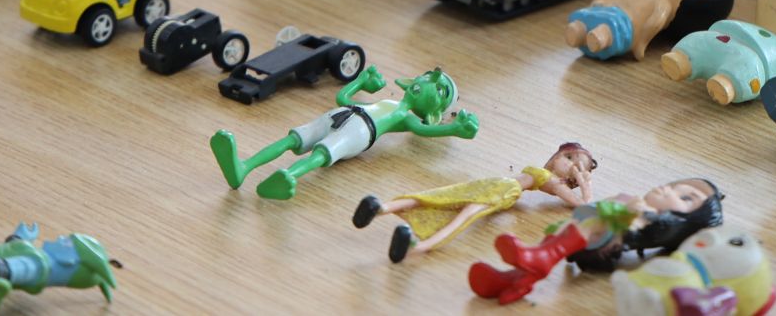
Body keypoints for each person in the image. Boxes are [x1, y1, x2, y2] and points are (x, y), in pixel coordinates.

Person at [209, 66, 477, 200]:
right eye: (428, 76)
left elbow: (422, 130)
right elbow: (343, 97)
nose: (428, 82)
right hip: (344, 112)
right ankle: (243, 167)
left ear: (434, 112)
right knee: (295, 138)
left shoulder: (405, 117)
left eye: (439, 90)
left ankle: (288, 176)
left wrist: (454, 129)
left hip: (362, 131)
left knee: (323, 152)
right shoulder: (388, 102)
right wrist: (361, 81)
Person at [466, 177, 723, 304]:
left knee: (594, 223)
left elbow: (634, 226)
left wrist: (633, 212)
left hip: (601, 242)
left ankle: (540, 259)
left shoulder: (649, 220)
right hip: (581, 233)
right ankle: (513, 279)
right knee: (570, 225)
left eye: (686, 198)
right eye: (675, 186)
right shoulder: (633, 201)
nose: (669, 189)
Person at [351, 142, 596, 262]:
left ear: (571, 178)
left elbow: (583, 206)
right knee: (441, 196)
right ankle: (380, 208)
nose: (566, 162)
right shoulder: (547, 176)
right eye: (568, 156)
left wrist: (584, 184)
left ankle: (415, 247)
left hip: (503, 192)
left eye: (574, 165)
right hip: (495, 183)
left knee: (462, 217)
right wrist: (579, 177)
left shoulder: (555, 183)